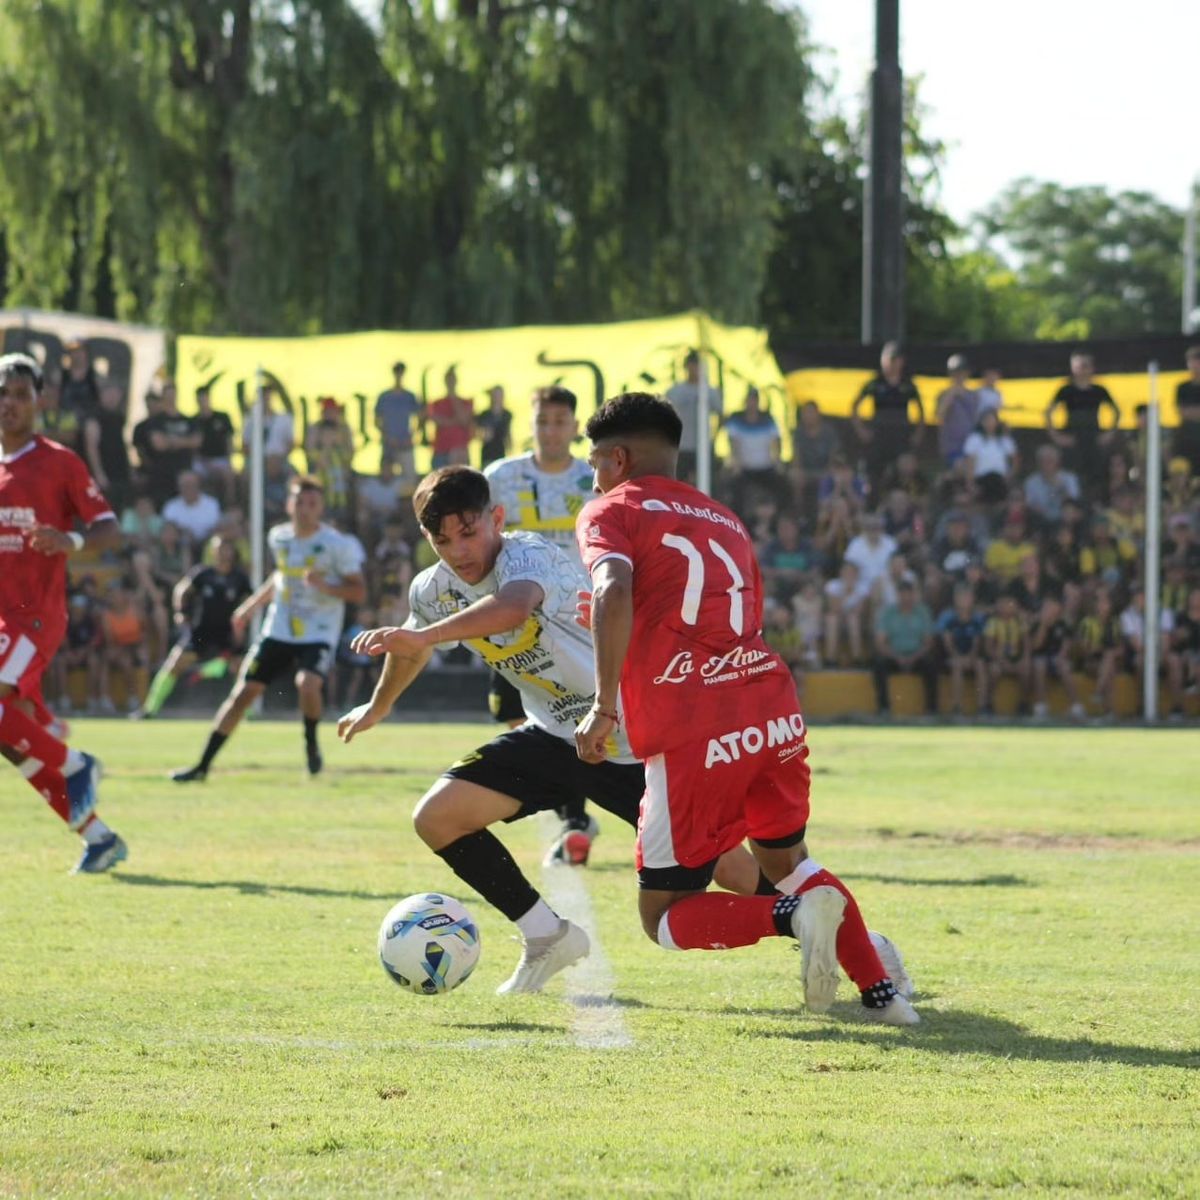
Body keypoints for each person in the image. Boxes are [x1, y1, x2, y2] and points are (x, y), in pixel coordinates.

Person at [337, 466, 764, 994]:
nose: (459, 551)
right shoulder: (433, 590)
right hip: (555, 735)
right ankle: (547, 937)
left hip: (628, 737)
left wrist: (424, 634)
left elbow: (512, 606)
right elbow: (412, 649)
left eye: (468, 533)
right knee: (437, 818)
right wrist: (378, 707)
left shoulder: (528, 554)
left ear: (496, 518)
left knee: (732, 869)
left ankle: (841, 934)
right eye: (442, 540)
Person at [573, 392, 917, 1025]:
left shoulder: (609, 509)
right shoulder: (722, 516)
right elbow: (683, 603)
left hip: (693, 723)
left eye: (595, 460)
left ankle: (793, 918)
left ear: (618, 458)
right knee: (787, 861)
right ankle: (884, 996)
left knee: (665, 917)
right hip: (769, 704)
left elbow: (614, 585)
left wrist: (602, 706)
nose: (593, 475)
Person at [0, 353, 126, 873]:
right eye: (2, 394)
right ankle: (98, 836)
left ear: (41, 401)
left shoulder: (59, 462)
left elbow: (108, 527)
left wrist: (69, 538)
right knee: (12, 741)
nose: (8, 403)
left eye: (20, 394)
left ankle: (78, 764)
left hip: (34, 617)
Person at [171, 477, 365, 781]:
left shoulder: (337, 545)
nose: (304, 509)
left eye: (311, 503)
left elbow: (358, 592)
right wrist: (250, 608)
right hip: (278, 629)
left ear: (321, 508)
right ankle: (202, 766)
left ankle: (311, 742)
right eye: (299, 502)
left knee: (308, 684)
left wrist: (324, 585)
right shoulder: (280, 538)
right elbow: (280, 578)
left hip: (318, 631)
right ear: (290, 505)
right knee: (243, 693)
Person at [484, 386, 599, 862]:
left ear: (574, 426)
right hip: (516, 614)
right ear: (529, 425)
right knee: (508, 708)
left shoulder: (593, 477)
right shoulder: (500, 477)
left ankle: (577, 816)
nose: (551, 430)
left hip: (577, 616)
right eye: (543, 421)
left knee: (573, 713)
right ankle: (576, 813)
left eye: (559, 421)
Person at [135, 536, 252, 719]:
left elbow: (248, 603)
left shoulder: (239, 578)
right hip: (201, 630)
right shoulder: (202, 573)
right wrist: (180, 612)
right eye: (219, 548)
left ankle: (248, 714)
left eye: (226, 548)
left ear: (233, 552)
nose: (223, 552)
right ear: (212, 552)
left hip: (228, 631)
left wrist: (243, 626)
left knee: (241, 669)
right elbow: (181, 591)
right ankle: (150, 709)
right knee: (175, 663)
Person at [850, 342, 924, 485]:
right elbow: (854, 407)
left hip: (901, 435)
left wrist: (917, 434)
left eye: (895, 360)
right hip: (879, 434)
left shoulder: (908, 384)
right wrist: (861, 430)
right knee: (873, 473)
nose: (891, 364)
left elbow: (921, 413)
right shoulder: (875, 383)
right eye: (888, 359)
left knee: (904, 471)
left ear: (901, 362)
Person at [1045, 352, 1119, 491]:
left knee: (1097, 474)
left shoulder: (1099, 390)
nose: (1083, 370)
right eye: (1079, 366)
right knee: (1072, 475)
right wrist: (1055, 435)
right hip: (1072, 439)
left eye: (1086, 366)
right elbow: (1049, 412)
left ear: (1092, 368)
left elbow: (1116, 411)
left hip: (1094, 438)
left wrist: (1110, 433)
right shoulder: (1066, 390)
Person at [872, 575, 938, 716]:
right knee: (879, 665)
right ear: (897, 595)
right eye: (903, 594)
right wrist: (897, 657)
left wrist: (913, 657)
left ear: (914, 595)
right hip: (894, 656)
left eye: (909, 594)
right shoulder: (888, 613)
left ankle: (931, 709)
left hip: (917, 655)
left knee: (931, 665)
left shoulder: (923, 612)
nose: (906, 598)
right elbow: (880, 643)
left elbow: (929, 643)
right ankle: (884, 708)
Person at [723, 386, 786, 516]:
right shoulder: (736, 419)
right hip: (744, 468)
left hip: (765, 467)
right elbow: (734, 443)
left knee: (782, 486)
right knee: (734, 488)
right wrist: (736, 462)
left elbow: (775, 441)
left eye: (755, 400)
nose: (752, 403)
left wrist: (777, 461)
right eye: (750, 400)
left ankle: (779, 519)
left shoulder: (768, 419)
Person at [664, 350, 723, 484]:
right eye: (691, 365)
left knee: (706, 481)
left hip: (702, 445)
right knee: (679, 481)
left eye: (696, 365)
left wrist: (714, 438)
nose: (693, 369)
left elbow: (720, 415)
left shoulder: (709, 391)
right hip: (681, 445)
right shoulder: (675, 391)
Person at [83, 379, 133, 516]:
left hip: (120, 471)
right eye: (109, 393)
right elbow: (91, 447)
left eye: (116, 393)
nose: (113, 397)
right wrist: (99, 474)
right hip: (105, 473)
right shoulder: (94, 417)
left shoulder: (119, 417)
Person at [938, 584, 986, 716]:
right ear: (955, 599)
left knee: (980, 665)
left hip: (972, 656)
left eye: (967, 597)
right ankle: (957, 706)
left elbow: (977, 642)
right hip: (952, 656)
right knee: (957, 665)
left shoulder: (978, 618)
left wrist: (971, 657)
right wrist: (958, 657)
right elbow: (947, 644)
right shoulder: (947, 617)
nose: (964, 600)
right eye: (961, 597)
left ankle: (982, 706)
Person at [374, 362, 421, 481]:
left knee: (409, 477)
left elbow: (420, 418)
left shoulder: (410, 396)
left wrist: (411, 436)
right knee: (386, 477)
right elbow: (377, 420)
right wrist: (387, 437)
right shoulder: (384, 397)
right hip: (389, 444)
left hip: (405, 443)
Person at [192, 385, 237, 507]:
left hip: (220, 459)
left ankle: (229, 505)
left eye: (204, 398)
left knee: (229, 476)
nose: (202, 402)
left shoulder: (222, 418)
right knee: (193, 477)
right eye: (200, 399)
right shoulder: (194, 421)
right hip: (201, 461)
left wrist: (229, 461)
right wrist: (205, 462)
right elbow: (192, 448)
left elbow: (229, 441)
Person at [162, 470, 223, 551]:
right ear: (178, 487)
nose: (188, 489)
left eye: (191, 485)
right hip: (180, 549)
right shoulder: (171, 507)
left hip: (208, 547)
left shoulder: (212, 504)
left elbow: (217, 527)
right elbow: (167, 532)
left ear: (198, 485)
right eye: (184, 485)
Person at [935, 354, 978, 468]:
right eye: (955, 372)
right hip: (952, 447)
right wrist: (953, 393)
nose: (959, 376)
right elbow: (940, 416)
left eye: (961, 372)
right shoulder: (943, 395)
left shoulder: (974, 395)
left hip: (971, 447)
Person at [429, 368, 474, 468]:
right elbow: (439, 421)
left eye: (452, 380)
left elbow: (464, 420)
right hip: (441, 450)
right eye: (449, 380)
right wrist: (455, 421)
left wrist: (453, 397)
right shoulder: (436, 403)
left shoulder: (466, 402)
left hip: (460, 452)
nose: (451, 383)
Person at [1172, 346, 1200, 474]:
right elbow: (1181, 412)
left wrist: (1191, 412)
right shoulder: (1182, 388)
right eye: (1191, 361)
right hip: (1187, 435)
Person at [476, 385, 513, 468]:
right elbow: (479, 433)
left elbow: (508, 433)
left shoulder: (507, 415)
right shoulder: (484, 415)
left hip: (500, 451)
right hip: (487, 453)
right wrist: (484, 435)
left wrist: (510, 448)